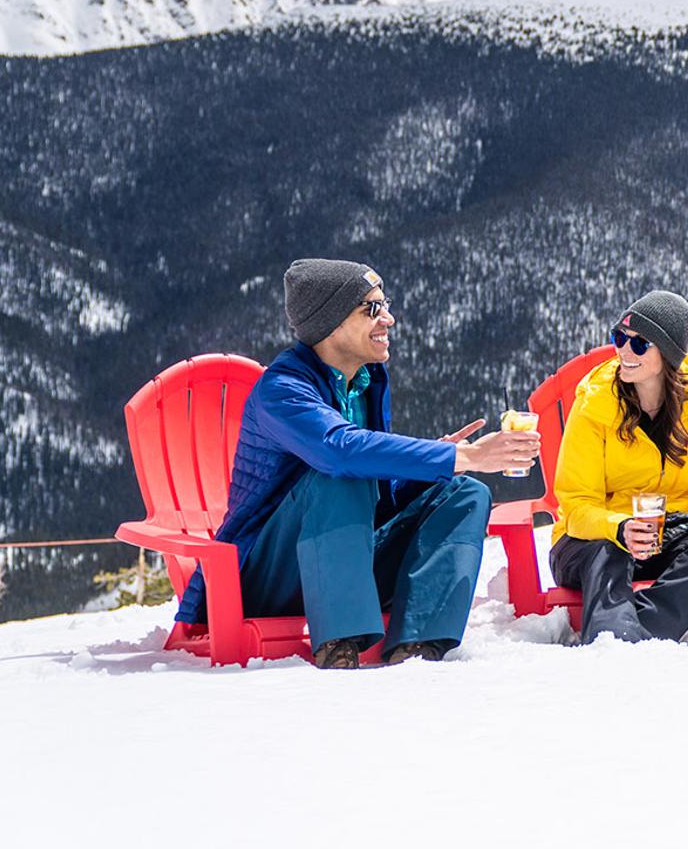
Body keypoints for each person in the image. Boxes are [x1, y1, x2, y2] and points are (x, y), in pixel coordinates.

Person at [177, 259, 539, 668]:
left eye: (385, 305)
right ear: (329, 323)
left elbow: (376, 495)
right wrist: (465, 455)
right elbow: (339, 452)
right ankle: (340, 645)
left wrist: (434, 467)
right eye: (371, 308)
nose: (389, 318)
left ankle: (420, 643)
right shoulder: (283, 390)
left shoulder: (363, 384)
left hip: (343, 564)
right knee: (341, 475)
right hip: (266, 578)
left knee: (466, 493)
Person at [548, 291, 688, 644]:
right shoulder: (595, 405)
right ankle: (616, 638)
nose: (624, 350)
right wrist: (618, 527)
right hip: (591, 541)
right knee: (607, 550)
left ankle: (635, 632)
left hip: (666, 533)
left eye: (639, 344)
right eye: (619, 338)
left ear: (668, 353)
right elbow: (576, 504)